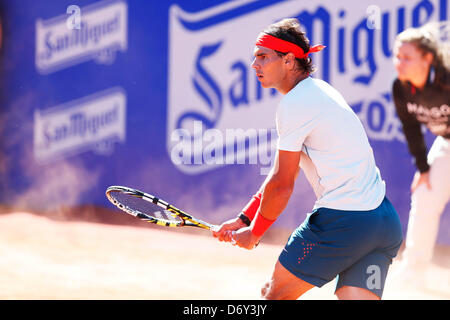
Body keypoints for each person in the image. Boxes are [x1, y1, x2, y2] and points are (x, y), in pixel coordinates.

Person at [212, 18, 403, 300]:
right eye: (255, 57)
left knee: (273, 296)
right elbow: (277, 177)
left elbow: (282, 183)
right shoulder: (320, 91)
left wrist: (255, 234)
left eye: (263, 57)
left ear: (289, 60)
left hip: (343, 222)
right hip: (383, 224)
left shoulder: (295, 103)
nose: (255, 65)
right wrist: (245, 219)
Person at [391, 23, 450, 287]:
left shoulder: (447, 79)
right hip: (447, 143)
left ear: (427, 58)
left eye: (407, 57)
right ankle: (413, 274)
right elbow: (411, 129)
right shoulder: (401, 88)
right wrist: (423, 169)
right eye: (397, 56)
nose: (399, 63)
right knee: (425, 195)